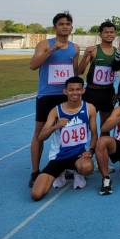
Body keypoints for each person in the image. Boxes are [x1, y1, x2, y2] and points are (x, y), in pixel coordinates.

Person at [28, 12, 80, 187]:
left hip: (66, 96)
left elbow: (75, 73)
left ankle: (67, 166)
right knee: (39, 134)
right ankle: (35, 172)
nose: (65, 26)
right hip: (47, 96)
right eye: (61, 24)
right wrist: (52, 50)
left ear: (71, 27)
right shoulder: (44, 44)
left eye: (68, 24)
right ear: (55, 27)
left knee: (68, 132)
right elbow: (33, 65)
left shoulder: (75, 48)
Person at [31, 77, 97, 201]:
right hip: (58, 157)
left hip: (79, 156)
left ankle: (78, 172)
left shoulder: (89, 108)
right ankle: (60, 173)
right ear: (65, 91)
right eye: (71, 90)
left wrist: (91, 151)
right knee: (36, 194)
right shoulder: (55, 111)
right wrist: (56, 126)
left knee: (87, 167)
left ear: (83, 90)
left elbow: (94, 134)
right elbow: (41, 137)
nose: (75, 92)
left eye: (78, 89)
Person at [78, 20, 120, 134]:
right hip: (92, 92)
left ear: (115, 34)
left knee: (106, 125)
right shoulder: (94, 50)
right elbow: (80, 71)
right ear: (100, 34)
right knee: (85, 124)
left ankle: (102, 150)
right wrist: (86, 55)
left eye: (112, 32)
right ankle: (87, 149)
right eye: (106, 32)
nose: (109, 34)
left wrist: (118, 93)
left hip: (108, 93)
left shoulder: (118, 52)